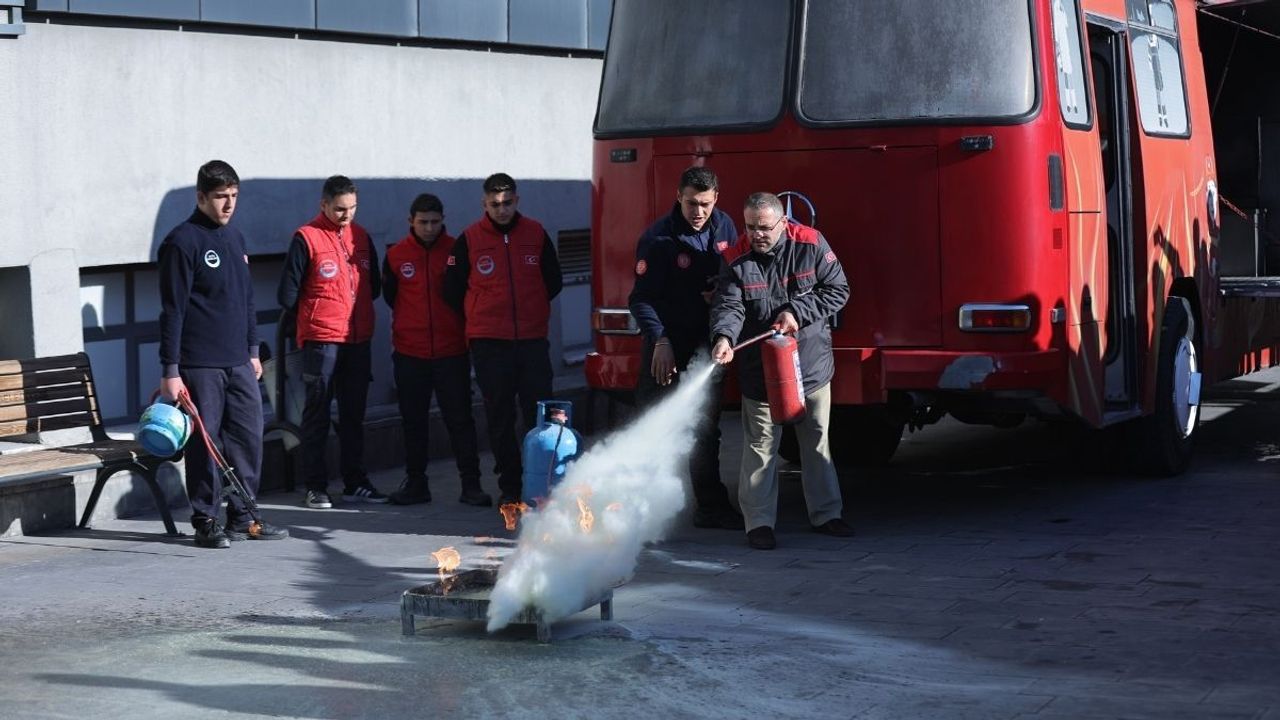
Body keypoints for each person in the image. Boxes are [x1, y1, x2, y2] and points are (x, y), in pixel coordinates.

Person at [710, 192, 853, 550]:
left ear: (783, 223)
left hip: (811, 366)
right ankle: (758, 524)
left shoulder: (811, 243)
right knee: (760, 446)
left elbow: (838, 290)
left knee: (816, 441)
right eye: (750, 227)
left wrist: (795, 312)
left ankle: (827, 515)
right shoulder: (734, 257)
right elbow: (729, 305)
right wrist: (724, 337)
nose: (757, 235)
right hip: (761, 371)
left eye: (765, 228)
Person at [158, 160, 289, 548]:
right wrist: (171, 370)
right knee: (205, 444)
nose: (228, 204)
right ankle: (206, 519)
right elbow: (172, 311)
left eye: (233, 196)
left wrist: (252, 351)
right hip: (199, 364)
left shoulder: (235, 239)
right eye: (220, 197)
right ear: (201, 197)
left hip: (238, 361)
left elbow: (246, 300)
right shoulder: (182, 242)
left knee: (248, 439)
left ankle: (244, 516)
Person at [629, 166, 744, 530]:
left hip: (707, 341)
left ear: (716, 200)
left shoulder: (725, 226)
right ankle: (635, 511)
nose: (698, 213)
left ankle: (710, 507)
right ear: (678, 197)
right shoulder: (658, 240)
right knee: (652, 422)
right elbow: (641, 299)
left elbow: (735, 273)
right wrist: (660, 340)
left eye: (706, 205)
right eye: (692, 203)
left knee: (705, 425)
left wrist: (720, 293)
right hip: (666, 343)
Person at [443, 173, 563, 506]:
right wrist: (482, 314)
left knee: (540, 414)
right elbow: (451, 290)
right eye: (495, 204)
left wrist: (531, 310)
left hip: (531, 341)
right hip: (489, 343)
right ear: (484, 204)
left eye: (507, 202)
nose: (502, 209)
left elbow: (553, 281)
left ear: (517, 201)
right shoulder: (468, 239)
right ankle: (510, 486)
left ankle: (542, 485)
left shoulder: (536, 233)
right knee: (499, 417)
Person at [277, 175, 386, 509]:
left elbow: (374, 286)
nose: (346, 215)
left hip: (358, 338)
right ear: (323, 205)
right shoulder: (307, 238)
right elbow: (288, 294)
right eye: (340, 209)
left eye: (352, 208)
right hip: (323, 340)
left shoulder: (362, 237)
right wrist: (318, 316)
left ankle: (355, 481)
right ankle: (316, 486)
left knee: (354, 414)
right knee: (318, 414)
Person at [382, 193, 492, 507]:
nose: (429, 228)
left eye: (435, 222)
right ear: (410, 222)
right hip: (410, 352)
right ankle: (416, 484)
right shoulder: (396, 255)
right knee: (413, 422)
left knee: (460, 420)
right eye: (423, 222)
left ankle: (471, 485)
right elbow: (392, 297)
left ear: (443, 220)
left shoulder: (457, 249)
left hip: (451, 350)